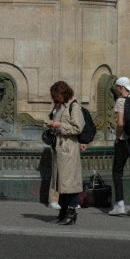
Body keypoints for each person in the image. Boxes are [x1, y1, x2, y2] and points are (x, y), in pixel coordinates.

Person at [45, 80, 85, 226]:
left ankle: (71, 212)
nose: (56, 98)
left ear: (64, 94)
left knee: (70, 183)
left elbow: (78, 128)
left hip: (69, 148)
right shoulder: (59, 107)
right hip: (59, 148)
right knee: (61, 182)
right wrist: (51, 126)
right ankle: (62, 212)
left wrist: (60, 126)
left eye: (57, 95)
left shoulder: (74, 107)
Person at [109, 76, 130, 217]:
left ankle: (120, 205)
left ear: (121, 87)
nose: (116, 90)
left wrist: (117, 137)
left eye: (117, 87)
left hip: (125, 140)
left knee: (117, 171)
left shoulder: (120, 101)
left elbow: (121, 123)